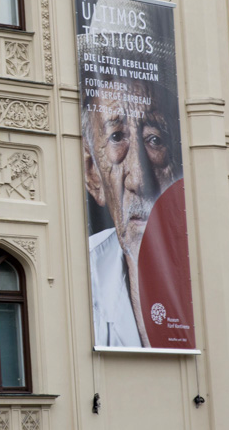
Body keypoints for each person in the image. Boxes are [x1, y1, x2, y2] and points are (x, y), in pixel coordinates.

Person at [81, 77, 182, 348]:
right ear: (93, 175)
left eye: (154, 140)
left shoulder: (209, 270)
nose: (139, 179)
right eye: (116, 137)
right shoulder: (78, 274)